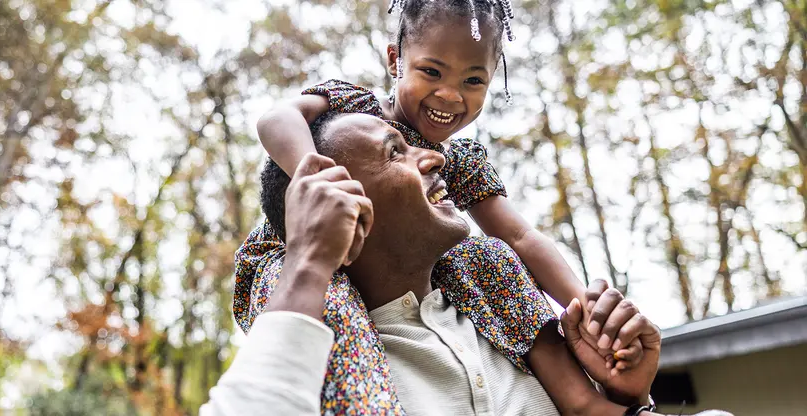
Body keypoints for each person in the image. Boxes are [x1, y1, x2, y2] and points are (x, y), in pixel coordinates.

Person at [234, 0, 645, 412]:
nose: (450, 95)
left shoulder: (460, 162)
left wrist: (585, 307)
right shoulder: (355, 110)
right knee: (330, 299)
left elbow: (519, 235)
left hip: (426, 268)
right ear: (395, 59)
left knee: (490, 257)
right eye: (432, 72)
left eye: (473, 80)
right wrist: (315, 180)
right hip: (304, 246)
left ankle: (580, 400)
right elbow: (277, 118)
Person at [210, 113, 663, 415]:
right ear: (336, 204)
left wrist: (629, 394)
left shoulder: (500, 308)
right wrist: (308, 260)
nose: (436, 156)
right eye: (394, 152)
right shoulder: (327, 371)